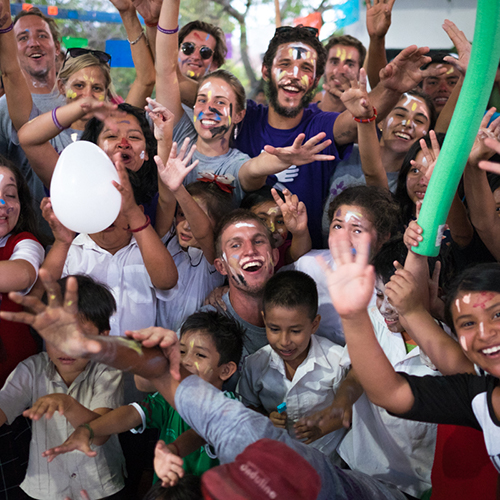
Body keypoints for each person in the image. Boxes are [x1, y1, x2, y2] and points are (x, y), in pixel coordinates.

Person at [1, 272, 409, 500]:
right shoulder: (254, 436)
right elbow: (159, 378)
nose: (189, 362)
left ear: (227, 369)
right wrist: (95, 349)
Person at [233, 24, 438, 247]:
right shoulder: (242, 116)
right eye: (285, 64)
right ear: (265, 71)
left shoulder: (320, 123)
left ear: (316, 78)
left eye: (305, 68)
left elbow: (351, 124)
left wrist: (391, 88)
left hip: (307, 263)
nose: (294, 75)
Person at [157, 0, 336, 208]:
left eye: (220, 101)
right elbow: (165, 69)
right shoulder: (180, 137)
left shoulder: (236, 163)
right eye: (202, 100)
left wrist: (284, 158)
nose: (209, 108)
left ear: (240, 115)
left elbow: (255, 168)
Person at [42, 311, 244, 488]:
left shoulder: (231, 408)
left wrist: (173, 450)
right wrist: (88, 430)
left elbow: (200, 433)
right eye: (181, 351)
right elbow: (131, 414)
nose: (185, 361)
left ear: (225, 370)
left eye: (199, 355)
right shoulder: (168, 399)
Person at [0, 275, 125, 500]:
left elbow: (99, 435)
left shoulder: (108, 370)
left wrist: (67, 404)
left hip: (99, 487)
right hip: (47, 488)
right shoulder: (31, 369)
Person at [237, 270, 347, 457]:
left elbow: (351, 411)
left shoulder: (337, 362)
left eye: (295, 331)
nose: (284, 341)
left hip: (328, 461)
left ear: (314, 324)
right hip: (278, 459)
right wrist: (266, 420)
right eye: (274, 329)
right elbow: (246, 405)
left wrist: (325, 425)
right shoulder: (255, 365)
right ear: (264, 320)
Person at [286, 185, 400, 345]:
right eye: (338, 226)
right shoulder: (308, 267)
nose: (344, 239)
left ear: (383, 238)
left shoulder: (392, 285)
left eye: (357, 230)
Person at [0, 158, 44, 499]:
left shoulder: (24, 243)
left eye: (10, 194)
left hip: (13, 402)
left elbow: (23, 276)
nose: (3, 205)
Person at [240, 185, 311, 271]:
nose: (271, 229)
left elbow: (298, 256)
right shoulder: (235, 250)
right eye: (262, 220)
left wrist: (299, 232)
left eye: (280, 222)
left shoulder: (283, 252)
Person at [312, 34, 366, 113]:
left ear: (359, 72)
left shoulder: (364, 118)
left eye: (350, 64)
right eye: (334, 62)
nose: (340, 71)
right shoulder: (301, 115)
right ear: (323, 66)